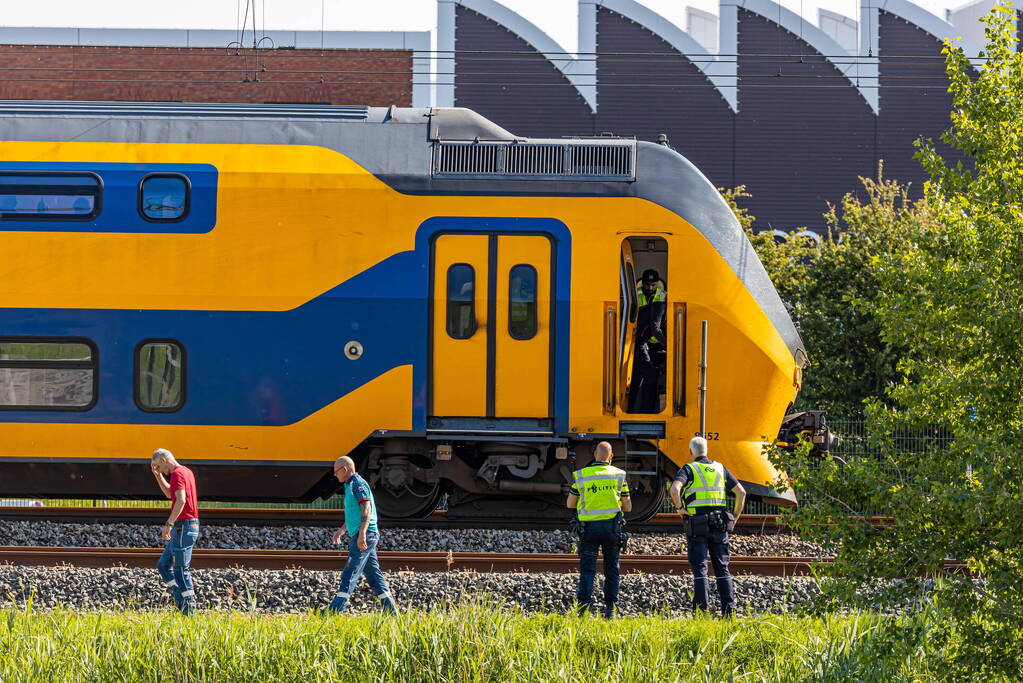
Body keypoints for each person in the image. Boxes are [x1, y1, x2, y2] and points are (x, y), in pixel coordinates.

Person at [669, 436, 746, 616]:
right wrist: (735, 516)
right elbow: (741, 492)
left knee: (700, 568)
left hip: (697, 525)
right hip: (719, 524)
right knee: (722, 567)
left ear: (691, 452)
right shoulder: (720, 468)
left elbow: (674, 489)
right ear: (707, 450)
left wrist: (680, 508)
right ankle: (729, 612)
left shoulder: (689, 469)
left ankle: (701, 613)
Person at [566, 441, 632, 618]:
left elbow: (570, 503)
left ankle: (583, 611)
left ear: (594, 454)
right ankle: (611, 610)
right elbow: (628, 507)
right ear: (610, 456)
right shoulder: (619, 475)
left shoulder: (581, 475)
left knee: (587, 570)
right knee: (612, 569)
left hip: (589, 530)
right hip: (611, 529)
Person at [324, 456, 398, 615]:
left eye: (336, 471)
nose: (335, 475)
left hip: (365, 534)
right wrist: (342, 530)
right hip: (363, 533)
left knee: (350, 572)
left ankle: (335, 611)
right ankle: (391, 611)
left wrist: (362, 534)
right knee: (374, 576)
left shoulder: (357, 484)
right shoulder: (350, 485)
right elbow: (354, 514)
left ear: (345, 469)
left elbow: (366, 508)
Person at [151, 448, 200, 615]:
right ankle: (180, 599)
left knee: (180, 569)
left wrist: (169, 524)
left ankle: (189, 612)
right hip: (185, 527)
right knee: (164, 565)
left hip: (183, 526)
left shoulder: (178, 474)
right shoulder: (185, 472)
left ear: (165, 459)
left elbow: (180, 501)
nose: (161, 469)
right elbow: (169, 494)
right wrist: (158, 476)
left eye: (159, 466)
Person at [628, 269, 667, 413]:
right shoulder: (658, 304)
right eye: (647, 284)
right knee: (648, 376)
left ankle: (636, 409)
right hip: (639, 342)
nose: (650, 288)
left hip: (647, 343)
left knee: (643, 376)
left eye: (653, 285)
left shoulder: (662, 297)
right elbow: (656, 328)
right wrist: (669, 344)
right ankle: (644, 410)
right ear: (642, 283)